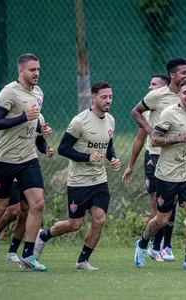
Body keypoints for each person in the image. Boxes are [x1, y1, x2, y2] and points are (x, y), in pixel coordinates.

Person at [33, 81, 120, 270]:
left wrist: (113, 158)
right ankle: (43, 235)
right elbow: (63, 148)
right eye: (104, 97)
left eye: (110, 97)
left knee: (100, 219)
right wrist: (87, 156)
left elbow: (108, 146)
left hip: (99, 179)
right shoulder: (79, 121)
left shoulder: (110, 120)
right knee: (75, 224)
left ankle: (82, 261)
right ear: (93, 97)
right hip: (78, 182)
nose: (108, 101)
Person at [0, 53, 52, 272]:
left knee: (37, 203)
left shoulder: (38, 93)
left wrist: (41, 131)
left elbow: (33, 124)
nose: (36, 73)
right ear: (21, 71)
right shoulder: (9, 92)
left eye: (38, 69)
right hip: (4, 159)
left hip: (28, 158)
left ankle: (28, 256)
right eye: (32, 70)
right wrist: (24, 117)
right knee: (0, 207)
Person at [134, 78, 186, 270]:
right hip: (166, 175)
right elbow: (155, 139)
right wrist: (180, 138)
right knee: (162, 220)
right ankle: (142, 243)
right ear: (180, 95)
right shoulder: (169, 114)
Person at [130, 57, 186, 262]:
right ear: (172, 75)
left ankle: (163, 246)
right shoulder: (156, 96)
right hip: (155, 155)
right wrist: (149, 130)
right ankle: (153, 246)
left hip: (179, 156)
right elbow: (135, 111)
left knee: (173, 203)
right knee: (158, 203)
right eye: (183, 73)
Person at [0, 115, 54, 263]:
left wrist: (45, 148)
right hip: (7, 167)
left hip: (26, 168)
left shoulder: (38, 116)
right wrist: (5, 153)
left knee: (26, 209)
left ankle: (13, 252)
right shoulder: (9, 114)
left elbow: (39, 141)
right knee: (12, 210)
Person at [122, 74, 170, 220]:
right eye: (150, 84)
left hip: (172, 156)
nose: (150, 87)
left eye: (154, 84)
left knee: (170, 199)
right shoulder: (147, 111)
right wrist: (130, 166)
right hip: (152, 157)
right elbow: (139, 139)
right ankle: (154, 239)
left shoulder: (174, 108)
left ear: (163, 89)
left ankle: (166, 239)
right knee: (155, 198)